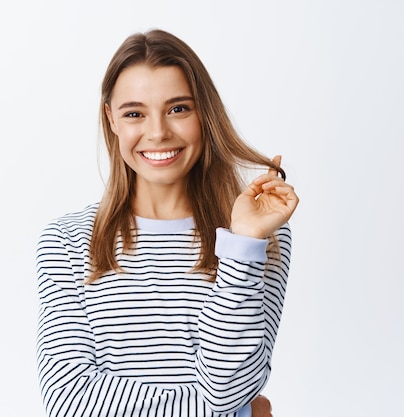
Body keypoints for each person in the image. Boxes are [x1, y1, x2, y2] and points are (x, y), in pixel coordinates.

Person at [36, 29, 298, 417]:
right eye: (134, 113)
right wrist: (237, 411)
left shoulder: (257, 235)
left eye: (178, 108)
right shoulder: (67, 241)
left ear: (204, 114)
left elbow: (227, 388)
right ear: (111, 119)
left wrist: (242, 245)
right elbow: (69, 401)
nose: (157, 132)